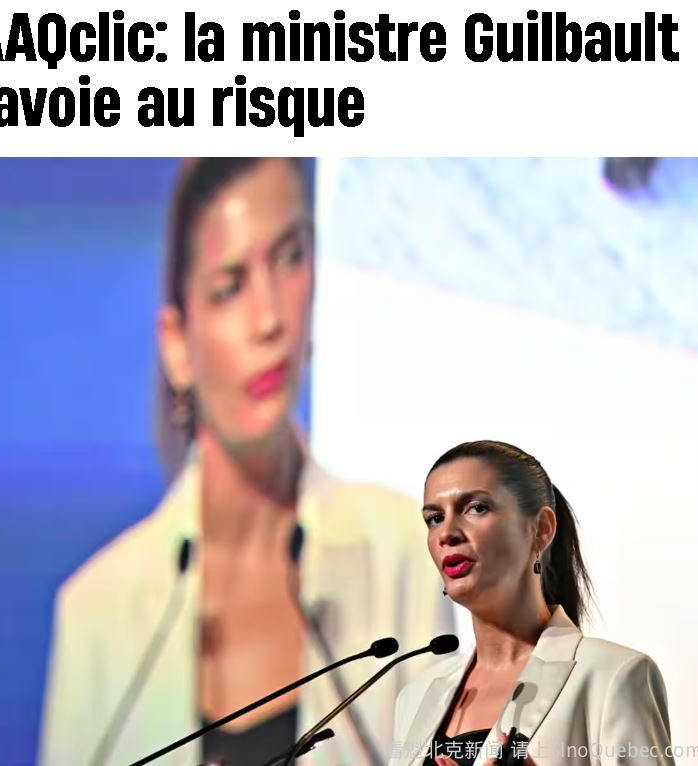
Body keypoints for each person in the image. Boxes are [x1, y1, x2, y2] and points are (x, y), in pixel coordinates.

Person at [37, 158, 453, 766]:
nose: (270, 319)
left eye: (290, 259)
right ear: (178, 346)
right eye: (230, 287)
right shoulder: (98, 615)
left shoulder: (402, 557)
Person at [389, 440, 674, 766]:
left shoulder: (615, 676)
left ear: (541, 530)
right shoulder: (415, 697)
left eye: (476, 508)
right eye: (435, 518)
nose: (446, 533)